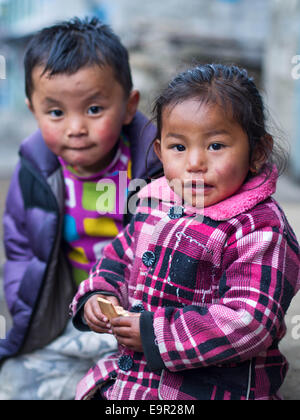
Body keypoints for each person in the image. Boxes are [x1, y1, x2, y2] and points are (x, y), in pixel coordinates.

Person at [71, 64, 300, 401]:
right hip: (133, 375)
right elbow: (119, 257)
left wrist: (154, 334)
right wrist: (98, 296)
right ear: (161, 151)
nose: (195, 162)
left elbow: (250, 321)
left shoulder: (261, 228)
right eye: (179, 147)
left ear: (258, 152)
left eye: (216, 146)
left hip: (211, 388)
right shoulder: (154, 201)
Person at [0, 17, 161, 400]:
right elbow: (21, 249)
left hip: (137, 316)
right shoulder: (35, 171)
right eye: (55, 112)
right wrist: (31, 316)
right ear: (33, 111)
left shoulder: (154, 164)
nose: (75, 127)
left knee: (150, 390)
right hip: (69, 315)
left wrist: (149, 322)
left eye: (93, 109)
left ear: (128, 106)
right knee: (14, 381)